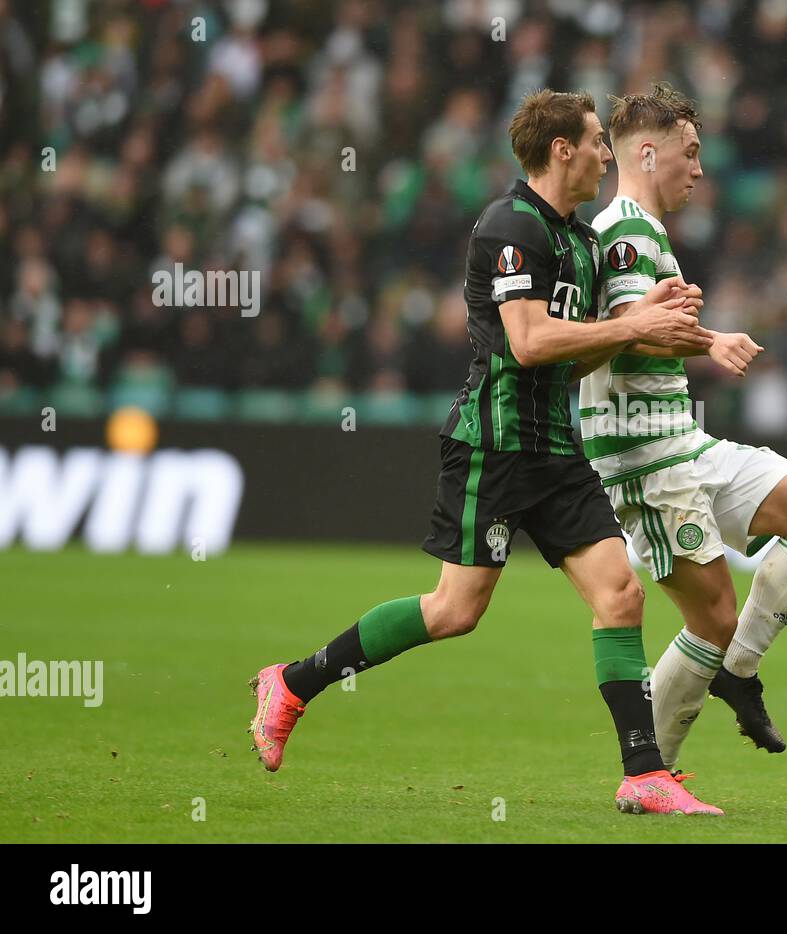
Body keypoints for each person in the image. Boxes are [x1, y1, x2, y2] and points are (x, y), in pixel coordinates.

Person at [248, 89, 723, 816]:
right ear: (561, 149)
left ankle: (643, 772)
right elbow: (530, 344)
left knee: (620, 594)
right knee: (453, 611)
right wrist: (631, 327)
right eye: (596, 141)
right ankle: (294, 682)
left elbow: (576, 362)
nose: (605, 154)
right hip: (492, 447)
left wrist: (653, 327)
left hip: (555, 449)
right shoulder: (509, 227)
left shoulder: (584, 243)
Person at [575, 83, 787, 771]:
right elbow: (628, 335)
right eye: (688, 153)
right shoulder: (621, 235)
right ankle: (650, 774)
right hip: (643, 457)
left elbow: (638, 327)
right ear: (646, 151)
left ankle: (738, 672)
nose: (699, 168)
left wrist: (690, 330)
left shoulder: (646, 232)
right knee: (712, 619)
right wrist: (709, 339)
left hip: (683, 443)